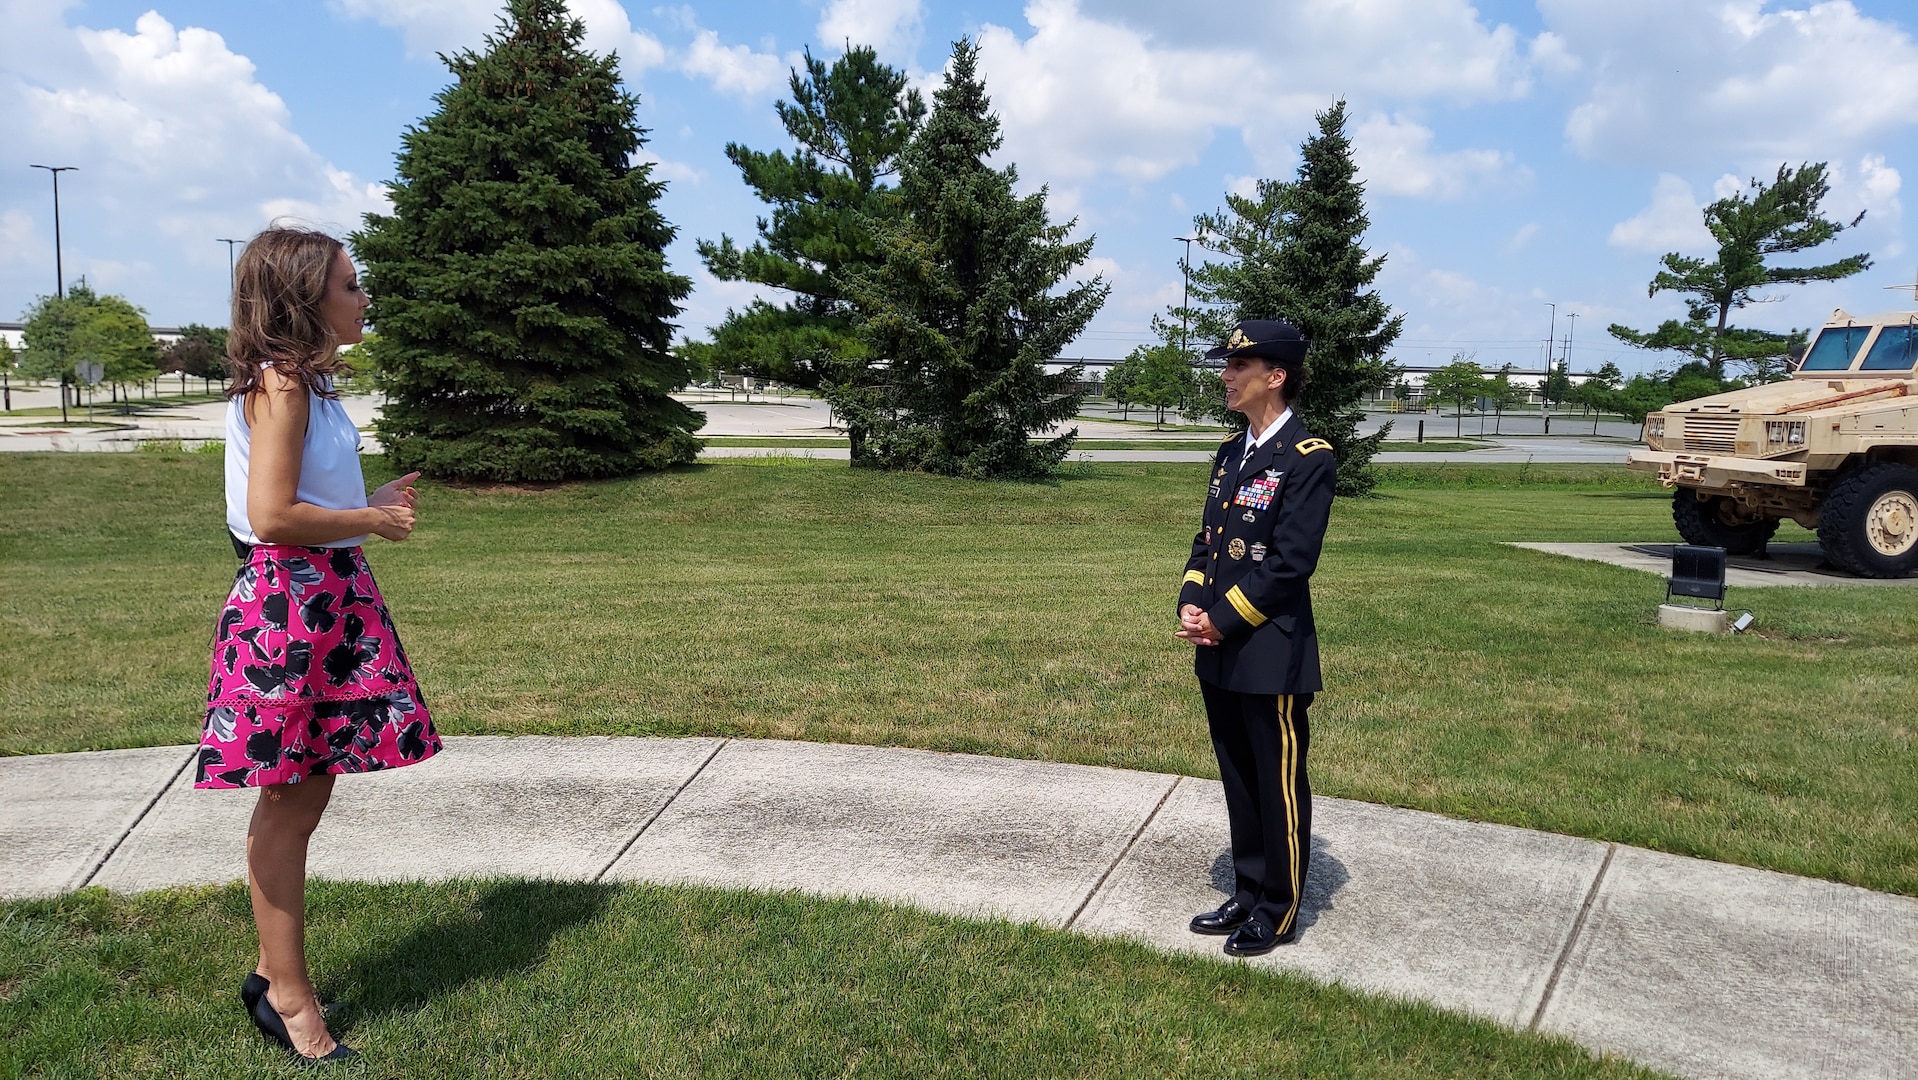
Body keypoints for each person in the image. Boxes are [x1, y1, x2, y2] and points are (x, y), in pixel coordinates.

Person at [195, 227, 442, 1064]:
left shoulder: (309, 386)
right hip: (289, 609)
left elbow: (297, 497)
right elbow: (270, 519)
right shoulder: (283, 385)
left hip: (326, 597)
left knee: (307, 791)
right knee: (289, 798)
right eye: (349, 284)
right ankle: (288, 997)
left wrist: (361, 499)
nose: (362, 296)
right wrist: (370, 520)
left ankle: (273, 975)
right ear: (305, 296)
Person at [1175, 319, 1335, 957]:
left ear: (1277, 376)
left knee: (1276, 778)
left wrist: (1224, 617)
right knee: (1239, 775)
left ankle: (1278, 907)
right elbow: (1208, 542)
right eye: (1227, 365)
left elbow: (1290, 565)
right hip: (1219, 650)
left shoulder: (1308, 456)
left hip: (1269, 651)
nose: (1226, 375)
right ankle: (1246, 891)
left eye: (1240, 366)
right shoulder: (1230, 452)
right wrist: (1192, 602)